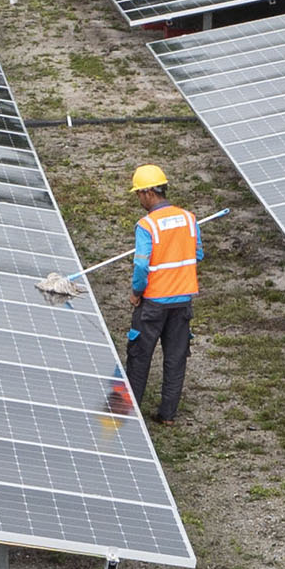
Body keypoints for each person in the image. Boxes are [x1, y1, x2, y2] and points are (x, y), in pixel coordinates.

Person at [123, 164, 199, 423]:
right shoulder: (189, 218)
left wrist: (136, 292)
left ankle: (127, 413)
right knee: (176, 359)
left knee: (139, 358)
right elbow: (197, 253)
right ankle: (168, 415)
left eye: (138, 194)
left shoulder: (147, 225)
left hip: (153, 303)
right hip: (183, 302)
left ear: (148, 193)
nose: (138, 200)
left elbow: (142, 265)